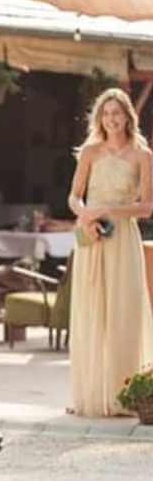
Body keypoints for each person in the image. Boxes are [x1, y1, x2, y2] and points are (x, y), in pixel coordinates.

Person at [67, 87, 153, 417]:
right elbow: (74, 197)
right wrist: (86, 214)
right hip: (91, 237)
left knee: (123, 313)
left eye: (116, 113)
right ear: (99, 118)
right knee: (91, 313)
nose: (111, 119)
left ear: (128, 116)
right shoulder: (90, 151)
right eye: (106, 113)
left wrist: (108, 210)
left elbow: (146, 208)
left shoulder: (142, 155)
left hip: (123, 239)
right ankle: (90, 395)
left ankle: (125, 396)